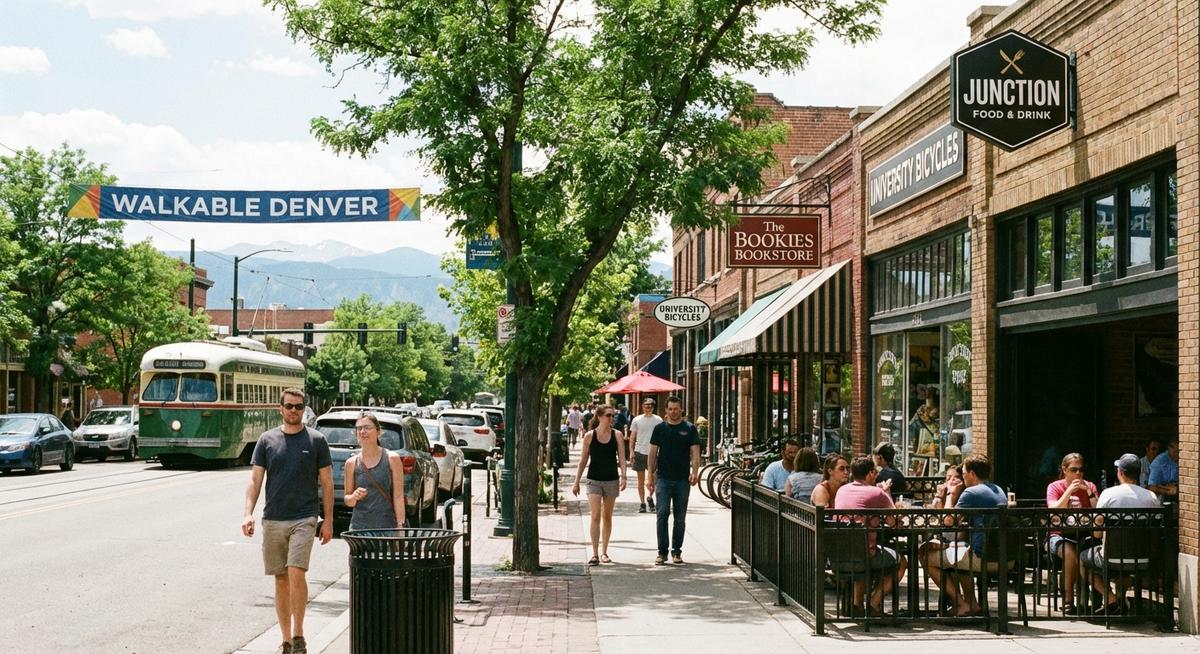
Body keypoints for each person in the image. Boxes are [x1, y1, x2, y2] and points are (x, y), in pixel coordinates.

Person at [242, 388, 334, 654]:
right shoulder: (266, 440)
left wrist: (328, 520)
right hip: (273, 518)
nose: (294, 411)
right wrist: (248, 513)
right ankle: (285, 641)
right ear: (280, 408)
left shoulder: (316, 440)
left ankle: (298, 636)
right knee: (281, 579)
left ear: (304, 409)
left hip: (304, 518)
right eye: (290, 406)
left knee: (296, 572)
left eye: (299, 406)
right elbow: (255, 479)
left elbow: (327, 483)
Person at [921, 454, 1008, 617]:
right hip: (1003, 557)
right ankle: (972, 604)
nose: (963, 477)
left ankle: (961, 604)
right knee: (957, 552)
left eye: (964, 473)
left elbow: (948, 520)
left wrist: (950, 494)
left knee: (926, 557)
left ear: (973, 474)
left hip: (981, 557)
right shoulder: (999, 489)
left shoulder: (971, 492)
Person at [1079, 453, 1162, 614]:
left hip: (1111, 557)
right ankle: (1120, 600)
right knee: (1125, 567)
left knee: (1083, 559)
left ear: (1120, 472)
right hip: (1142, 558)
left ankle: (1111, 599)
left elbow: (1097, 534)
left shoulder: (1109, 494)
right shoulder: (1151, 497)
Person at [835, 456, 908, 616]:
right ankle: (874, 604)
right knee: (901, 561)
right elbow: (894, 521)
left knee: (862, 549)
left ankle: (857, 605)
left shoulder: (842, 490)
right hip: (864, 555)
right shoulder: (876, 492)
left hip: (839, 554)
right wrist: (886, 492)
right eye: (874, 472)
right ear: (870, 473)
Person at [647, 396, 701, 565]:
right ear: (666, 410)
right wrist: (650, 475)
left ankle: (676, 551)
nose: (673, 412)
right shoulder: (660, 428)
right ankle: (662, 552)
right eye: (670, 409)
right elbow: (652, 453)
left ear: (681, 409)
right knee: (662, 514)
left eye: (676, 409)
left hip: (682, 480)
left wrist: (695, 472)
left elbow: (695, 452)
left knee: (680, 517)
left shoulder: (689, 428)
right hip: (663, 478)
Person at [571, 405, 627, 565]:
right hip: (593, 480)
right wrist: (576, 482)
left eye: (613, 415)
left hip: (611, 479)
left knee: (607, 516)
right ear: (600, 416)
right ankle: (595, 554)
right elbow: (583, 460)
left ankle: (604, 552)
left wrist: (623, 476)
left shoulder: (617, 435)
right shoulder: (590, 436)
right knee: (595, 515)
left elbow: (622, 457)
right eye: (608, 415)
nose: (611, 418)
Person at [1046, 452, 1098, 615]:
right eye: (1074, 470)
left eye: (1081, 470)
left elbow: (1099, 511)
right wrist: (1069, 491)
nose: (1078, 474)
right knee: (1070, 553)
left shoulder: (1090, 486)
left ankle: (1096, 600)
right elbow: (1054, 510)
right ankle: (1068, 600)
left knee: (1091, 551)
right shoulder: (1055, 487)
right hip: (1057, 535)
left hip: (1083, 533)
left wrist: (1088, 492)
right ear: (1064, 470)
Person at [343, 412, 406, 530]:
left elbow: (398, 496)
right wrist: (354, 496)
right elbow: (348, 501)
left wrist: (400, 526)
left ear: (378, 432)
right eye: (359, 428)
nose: (363, 431)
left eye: (367, 427)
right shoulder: (351, 463)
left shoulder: (392, 459)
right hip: (358, 530)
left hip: (386, 528)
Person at [628, 398, 663, 513]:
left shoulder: (658, 420)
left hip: (654, 453)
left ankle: (650, 496)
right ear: (642, 406)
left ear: (653, 407)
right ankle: (642, 503)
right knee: (640, 480)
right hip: (639, 452)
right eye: (645, 405)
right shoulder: (637, 420)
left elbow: (662, 436)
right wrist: (631, 451)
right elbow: (632, 437)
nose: (648, 407)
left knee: (654, 480)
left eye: (650, 405)